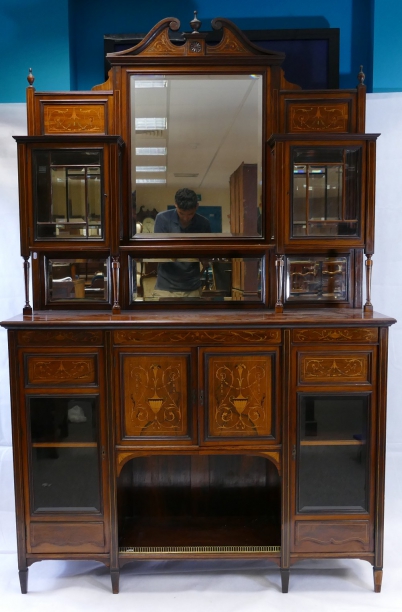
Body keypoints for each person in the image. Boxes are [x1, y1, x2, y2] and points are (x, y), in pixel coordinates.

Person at [152, 188, 211, 298]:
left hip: (192, 287)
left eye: (190, 214)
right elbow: (159, 251)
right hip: (166, 288)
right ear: (176, 205)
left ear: (197, 207)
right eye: (181, 213)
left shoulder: (203, 223)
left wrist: (205, 258)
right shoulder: (162, 219)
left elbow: (206, 253)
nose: (185, 218)